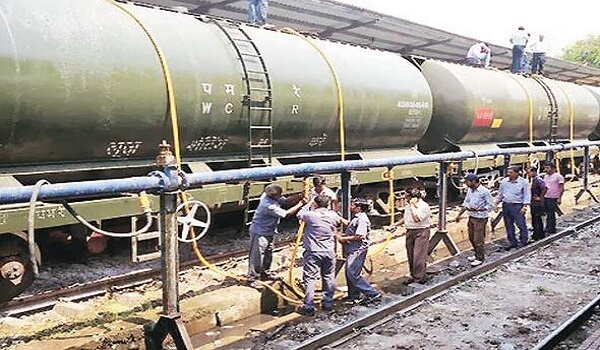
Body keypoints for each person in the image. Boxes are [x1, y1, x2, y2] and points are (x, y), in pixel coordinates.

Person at [247, 183, 305, 286]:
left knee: (268, 252)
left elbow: (285, 201)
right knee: (257, 255)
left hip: (269, 230)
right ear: (274, 196)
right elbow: (286, 213)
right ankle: (252, 278)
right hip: (260, 232)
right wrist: (301, 203)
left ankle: (265, 273)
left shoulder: (269, 195)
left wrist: (300, 196)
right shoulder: (268, 205)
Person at [296, 195, 341, 316]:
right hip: (329, 251)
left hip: (313, 251)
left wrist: (309, 203)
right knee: (328, 276)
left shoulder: (310, 215)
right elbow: (338, 223)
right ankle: (328, 302)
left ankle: (308, 305)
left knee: (310, 278)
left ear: (315, 204)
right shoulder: (333, 215)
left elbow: (299, 214)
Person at [336, 198, 382, 303]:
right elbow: (351, 225)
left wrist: (343, 239)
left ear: (359, 208)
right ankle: (354, 296)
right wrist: (338, 218)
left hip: (357, 249)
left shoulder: (362, 219)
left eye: (353, 205)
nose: (350, 206)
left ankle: (372, 293)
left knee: (352, 272)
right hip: (352, 248)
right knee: (349, 272)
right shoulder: (357, 218)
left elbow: (360, 235)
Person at [393, 188, 432, 284]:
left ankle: (419, 278)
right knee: (411, 254)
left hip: (421, 232)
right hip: (410, 231)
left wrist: (412, 206)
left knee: (418, 255)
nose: (405, 198)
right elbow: (406, 217)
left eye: (407, 196)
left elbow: (417, 219)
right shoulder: (409, 206)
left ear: (414, 197)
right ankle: (414, 275)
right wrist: (395, 224)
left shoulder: (424, 206)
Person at [455, 174, 493, 266]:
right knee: (471, 237)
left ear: (473, 181)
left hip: (480, 218)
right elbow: (466, 202)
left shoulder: (485, 192)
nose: (466, 184)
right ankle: (476, 254)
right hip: (471, 216)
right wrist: (459, 215)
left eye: (467, 182)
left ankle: (480, 258)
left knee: (478, 239)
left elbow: (490, 206)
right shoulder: (470, 190)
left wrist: (479, 209)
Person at [494, 166, 531, 249]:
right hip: (506, 205)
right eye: (508, 172)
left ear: (517, 173)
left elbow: (527, 195)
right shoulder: (504, 182)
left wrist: (525, 207)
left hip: (517, 206)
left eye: (511, 172)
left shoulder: (523, 182)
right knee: (508, 225)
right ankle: (512, 242)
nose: (508, 174)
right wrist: (496, 203)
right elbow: (500, 194)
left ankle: (523, 241)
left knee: (521, 224)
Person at [543, 162, 564, 235]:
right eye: (545, 168)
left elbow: (561, 187)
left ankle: (551, 228)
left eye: (547, 168)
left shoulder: (558, 176)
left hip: (553, 197)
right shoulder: (545, 176)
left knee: (551, 213)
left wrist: (559, 197)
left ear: (553, 168)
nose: (546, 169)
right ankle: (548, 227)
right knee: (547, 213)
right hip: (546, 196)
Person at [528, 167, 547, 240]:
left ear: (533, 172)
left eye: (529, 172)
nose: (528, 174)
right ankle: (539, 233)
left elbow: (544, 188)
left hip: (537, 203)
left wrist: (540, 197)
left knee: (536, 219)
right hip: (535, 203)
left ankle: (538, 234)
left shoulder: (538, 180)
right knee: (536, 219)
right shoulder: (535, 180)